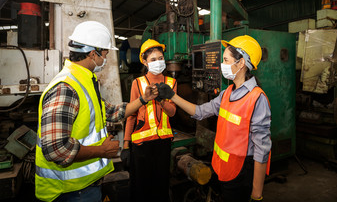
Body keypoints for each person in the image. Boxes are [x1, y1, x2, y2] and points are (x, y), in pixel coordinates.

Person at [35, 21, 158, 202]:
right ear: (93, 53)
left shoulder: (85, 80)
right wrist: (101, 151)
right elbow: (56, 150)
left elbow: (112, 112)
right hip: (67, 192)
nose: (106, 59)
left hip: (84, 187)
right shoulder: (66, 88)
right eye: (105, 53)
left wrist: (143, 100)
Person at [156, 35, 271, 202]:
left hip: (240, 173)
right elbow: (200, 111)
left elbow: (262, 150)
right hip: (221, 168)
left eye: (225, 60)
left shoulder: (257, 98)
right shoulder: (227, 93)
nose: (222, 64)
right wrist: (172, 96)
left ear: (241, 63)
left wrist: (256, 194)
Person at [122, 39, 177, 202]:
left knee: (160, 187)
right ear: (145, 62)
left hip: (163, 143)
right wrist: (126, 145)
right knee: (141, 189)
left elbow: (172, 112)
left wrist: (161, 99)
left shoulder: (171, 82)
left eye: (160, 58)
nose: (158, 62)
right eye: (153, 59)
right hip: (141, 145)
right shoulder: (137, 83)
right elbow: (131, 115)